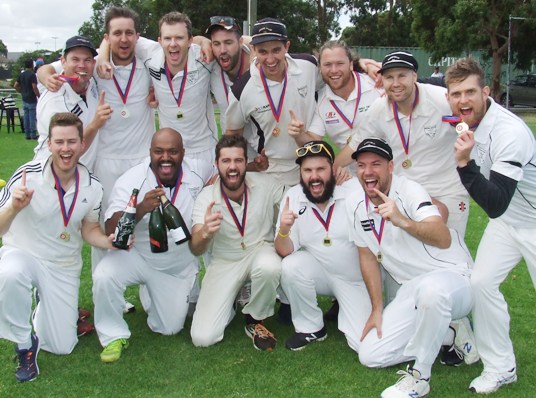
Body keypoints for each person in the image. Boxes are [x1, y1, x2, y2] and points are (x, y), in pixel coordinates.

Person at [347, 138, 477, 398]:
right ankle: (447, 332)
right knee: (370, 354)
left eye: (376, 164)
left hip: (454, 276)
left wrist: (402, 221)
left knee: (432, 291)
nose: (368, 171)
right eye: (361, 165)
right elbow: (367, 256)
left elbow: (443, 237)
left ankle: (420, 376)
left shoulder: (409, 190)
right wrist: (376, 308)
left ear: (391, 166)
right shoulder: (355, 202)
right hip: (412, 288)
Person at [0, 112, 114, 382]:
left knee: (62, 346)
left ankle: (45, 305)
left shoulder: (92, 186)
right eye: (59, 142)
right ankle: (24, 343)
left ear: (82, 144)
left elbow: (89, 229)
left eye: (72, 142)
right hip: (24, 254)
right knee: (8, 274)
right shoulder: (27, 176)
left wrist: (108, 242)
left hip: (63, 264)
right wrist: (14, 208)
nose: (66, 149)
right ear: (49, 144)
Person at [446, 57, 536, 394]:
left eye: (470, 92)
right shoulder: (463, 118)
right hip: (510, 223)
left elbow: (495, 204)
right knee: (481, 283)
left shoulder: (509, 132)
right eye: (456, 94)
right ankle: (501, 368)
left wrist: (464, 165)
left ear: (486, 92)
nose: (463, 100)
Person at [92, 128, 204, 363]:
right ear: (150, 153)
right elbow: (111, 229)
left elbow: (226, 170)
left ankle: (152, 291)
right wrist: (141, 208)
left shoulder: (197, 172)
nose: (165, 158)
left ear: (183, 153)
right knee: (104, 274)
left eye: (173, 151)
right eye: (158, 151)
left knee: (170, 328)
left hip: (174, 268)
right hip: (137, 257)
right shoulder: (133, 179)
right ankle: (113, 335)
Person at [189, 135, 285, 351]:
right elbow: (195, 248)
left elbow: (295, 200)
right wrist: (204, 232)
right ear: (217, 164)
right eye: (226, 161)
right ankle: (229, 304)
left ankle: (254, 319)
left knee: (270, 267)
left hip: (260, 251)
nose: (232, 167)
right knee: (202, 338)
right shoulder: (206, 197)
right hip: (225, 261)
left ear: (245, 163)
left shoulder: (266, 184)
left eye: (238, 161)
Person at [98, 11, 218, 183]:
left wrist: (205, 40)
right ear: (159, 41)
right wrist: (103, 58)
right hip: (169, 155)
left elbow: (237, 41)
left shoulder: (205, 57)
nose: (173, 44)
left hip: (204, 150)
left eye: (180, 38)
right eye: (168, 38)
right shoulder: (151, 54)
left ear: (190, 40)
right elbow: (113, 37)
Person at [275, 140, 370, 351]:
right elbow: (284, 250)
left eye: (320, 169)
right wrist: (283, 229)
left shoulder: (354, 190)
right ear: (300, 173)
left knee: (364, 344)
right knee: (291, 265)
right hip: (320, 273)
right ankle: (311, 327)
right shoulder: (293, 196)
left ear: (333, 169)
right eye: (307, 170)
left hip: (354, 278)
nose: (314, 176)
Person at [225, 17, 319, 187]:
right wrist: (248, 165)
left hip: (311, 162)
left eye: (276, 50)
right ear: (253, 50)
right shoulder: (241, 89)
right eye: (262, 52)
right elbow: (232, 134)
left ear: (287, 47)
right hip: (271, 171)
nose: (270, 59)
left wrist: (364, 64)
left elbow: (337, 73)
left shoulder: (308, 66)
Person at [290, 40, 383, 156]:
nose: (334, 70)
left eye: (340, 63)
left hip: (389, 168)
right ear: (320, 68)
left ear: (350, 65)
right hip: (348, 171)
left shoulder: (377, 83)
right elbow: (313, 140)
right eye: (327, 64)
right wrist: (299, 135)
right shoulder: (320, 100)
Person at [34, 35, 112, 173]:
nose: (81, 65)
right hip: (52, 174)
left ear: (93, 63)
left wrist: (104, 59)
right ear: (63, 62)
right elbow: (68, 151)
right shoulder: (55, 99)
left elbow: (109, 40)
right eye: (75, 59)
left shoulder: (89, 80)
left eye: (87, 60)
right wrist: (96, 124)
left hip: (82, 174)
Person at [205, 16, 267, 172]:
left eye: (228, 42)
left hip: (265, 154)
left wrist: (252, 42)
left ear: (240, 43)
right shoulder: (211, 66)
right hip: (232, 154)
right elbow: (188, 41)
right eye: (216, 44)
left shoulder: (259, 64)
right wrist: (202, 42)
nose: (222, 50)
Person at [14, 58, 39, 140]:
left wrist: (21, 91)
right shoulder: (32, 75)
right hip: (31, 98)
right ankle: (33, 134)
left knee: (26, 117)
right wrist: (38, 95)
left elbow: (15, 85)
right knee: (32, 117)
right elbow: (34, 87)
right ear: (32, 65)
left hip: (24, 98)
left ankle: (27, 134)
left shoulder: (22, 74)